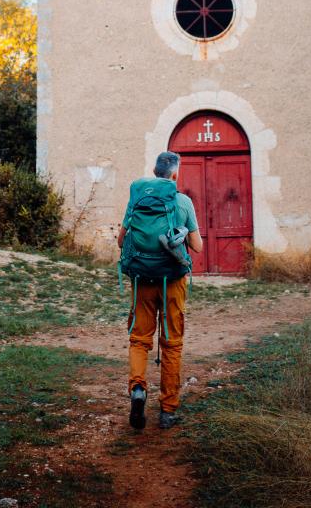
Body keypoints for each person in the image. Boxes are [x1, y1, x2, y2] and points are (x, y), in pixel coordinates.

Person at [117, 150, 203, 430]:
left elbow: (121, 241)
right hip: (173, 282)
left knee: (139, 339)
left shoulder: (137, 199)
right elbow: (198, 246)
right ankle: (167, 410)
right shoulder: (184, 201)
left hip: (142, 280)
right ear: (175, 175)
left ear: (154, 173)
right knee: (172, 342)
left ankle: (139, 389)